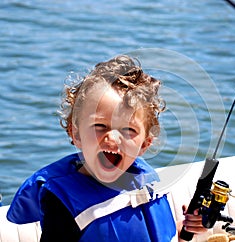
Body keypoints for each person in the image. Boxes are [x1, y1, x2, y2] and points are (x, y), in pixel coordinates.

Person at [7, 55, 206, 241]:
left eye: (128, 130)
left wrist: (184, 230)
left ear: (145, 144)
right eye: (100, 126)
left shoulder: (146, 181)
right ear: (76, 134)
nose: (112, 138)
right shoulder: (62, 202)